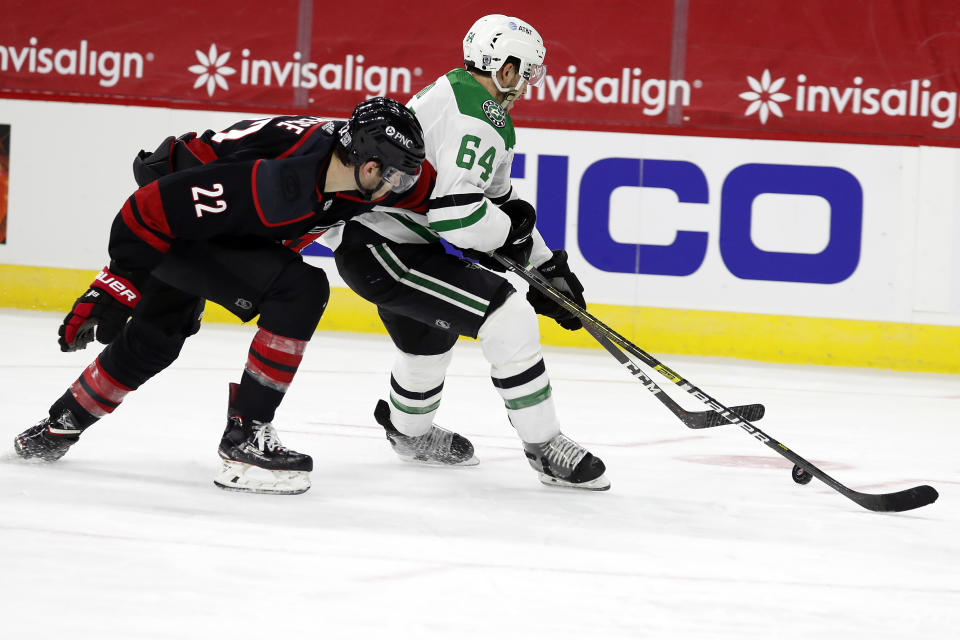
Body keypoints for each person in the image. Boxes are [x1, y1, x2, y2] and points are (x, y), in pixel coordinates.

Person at [13, 97, 426, 495]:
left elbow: (425, 195)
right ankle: (246, 438)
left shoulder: (345, 160)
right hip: (173, 222)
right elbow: (149, 209)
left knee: (157, 337)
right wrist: (118, 282)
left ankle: (59, 425)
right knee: (300, 290)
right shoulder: (280, 180)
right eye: (396, 177)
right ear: (370, 166)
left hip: (209, 222)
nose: (399, 187)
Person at [325, 15, 609, 490]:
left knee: (427, 339)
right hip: (386, 250)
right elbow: (457, 219)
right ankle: (544, 447)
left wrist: (545, 266)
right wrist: (511, 244)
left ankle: (408, 433)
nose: (528, 82)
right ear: (503, 65)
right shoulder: (476, 114)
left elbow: (497, 206)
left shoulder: (462, 97)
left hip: (386, 243)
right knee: (507, 314)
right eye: (526, 70)